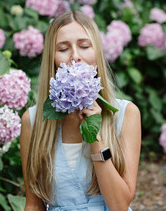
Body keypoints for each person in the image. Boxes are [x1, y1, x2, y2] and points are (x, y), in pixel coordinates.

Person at [20, 11, 141, 211]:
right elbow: (33, 204)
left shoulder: (125, 114)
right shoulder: (33, 121)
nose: (75, 56)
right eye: (63, 48)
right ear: (53, 59)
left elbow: (119, 205)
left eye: (84, 46)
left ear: (97, 55)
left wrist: (94, 137)